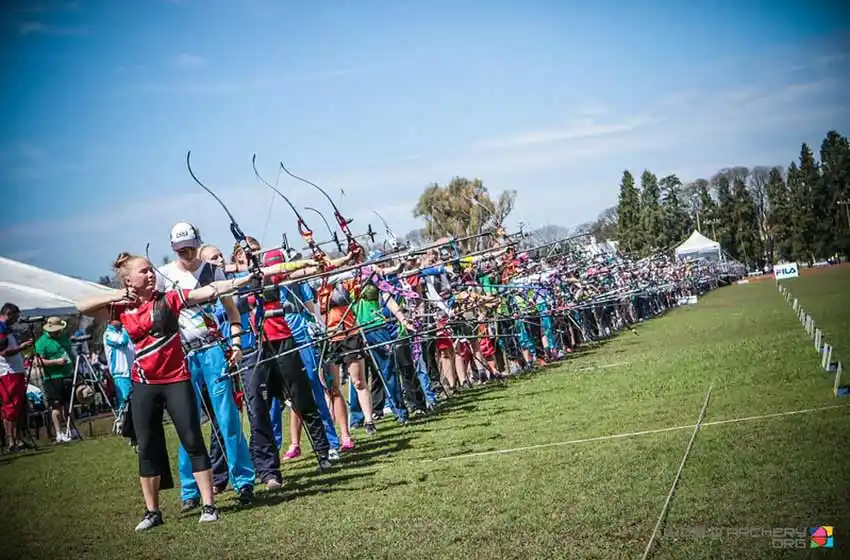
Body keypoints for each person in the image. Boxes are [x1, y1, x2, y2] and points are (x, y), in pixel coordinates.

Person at [76, 252, 258, 531]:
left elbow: (210, 291)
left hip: (176, 379)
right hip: (144, 384)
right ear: (128, 280)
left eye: (151, 270)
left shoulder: (169, 299)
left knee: (192, 440)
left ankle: (209, 505)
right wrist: (117, 296)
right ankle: (152, 512)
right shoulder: (120, 309)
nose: (151, 275)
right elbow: (82, 306)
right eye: (143, 272)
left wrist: (244, 279)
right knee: (147, 447)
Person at [157, 222, 255, 509]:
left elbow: (232, 312)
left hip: (213, 350)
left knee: (227, 419)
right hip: (182, 355)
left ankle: (244, 480)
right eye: (180, 249)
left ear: (198, 242)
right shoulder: (164, 276)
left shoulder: (213, 272)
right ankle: (190, 491)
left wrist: (236, 344)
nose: (186, 253)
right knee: (188, 423)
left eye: (189, 247)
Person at [34, 316, 77, 443]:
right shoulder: (42, 342)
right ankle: (59, 433)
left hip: (67, 375)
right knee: (56, 407)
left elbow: (70, 353)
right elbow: (38, 361)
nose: (58, 332)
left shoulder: (64, 338)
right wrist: (55, 362)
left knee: (68, 405)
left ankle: (72, 429)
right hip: (52, 378)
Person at [0, 303, 31, 452]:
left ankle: (17, 439)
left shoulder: (7, 329)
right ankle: (10, 440)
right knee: (10, 407)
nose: (15, 321)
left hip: (15, 371)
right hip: (8, 373)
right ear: (8, 313)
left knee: (17, 406)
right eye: (14, 317)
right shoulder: (1, 328)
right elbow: (4, 352)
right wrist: (22, 347)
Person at [103, 320, 134, 411]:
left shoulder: (121, 332)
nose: (120, 321)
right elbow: (122, 342)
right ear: (111, 321)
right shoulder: (108, 334)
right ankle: (124, 423)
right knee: (125, 401)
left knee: (134, 399)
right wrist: (125, 328)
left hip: (131, 370)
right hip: (120, 372)